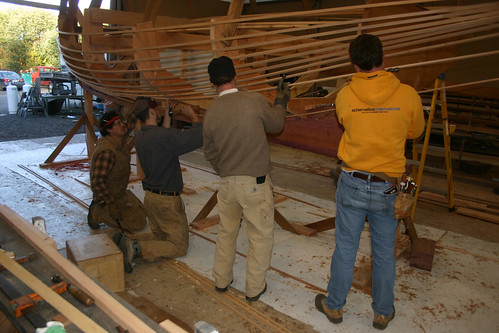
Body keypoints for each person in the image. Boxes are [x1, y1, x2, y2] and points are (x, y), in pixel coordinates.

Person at [315, 34, 425, 330]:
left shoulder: (345, 95)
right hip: (388, 186)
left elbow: (343, 121)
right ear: (383, 59)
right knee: (384, 252)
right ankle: (382, 312)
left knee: (346, 248)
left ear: (353, 63)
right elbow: (415, 132)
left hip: (351, 180)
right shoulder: (407, 94)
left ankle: (335, 307)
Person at [203, 56, 288, 302]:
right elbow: (276, 124)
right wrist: (281, 100)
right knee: (260, 237)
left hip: (227, 184)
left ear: (212, 83)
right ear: (235, 76)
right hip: (255, 184)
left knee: (226, 232)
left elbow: (209, 152)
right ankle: (254, 288)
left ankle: (221, 280)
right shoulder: (254, 101)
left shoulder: (210, 113)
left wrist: (225, 171)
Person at [115, 97, 203, 273]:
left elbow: (164, 135)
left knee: (159, 235)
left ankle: (126, 240)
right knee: (179, 246)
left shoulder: (141, 136)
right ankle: (137, 248)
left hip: (151, 198)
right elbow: (199, 137)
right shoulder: (163, 137)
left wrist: (169, 114)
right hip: (167, 202)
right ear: (153, 112)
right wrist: (193, 117)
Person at [88, 109, 147, 234]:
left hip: (119, 192)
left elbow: (130, 121)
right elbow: (97, 183)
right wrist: (111, 204)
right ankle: (97, 211)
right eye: (118, 123)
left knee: (142, 215)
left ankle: (111, 207)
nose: (123, 125)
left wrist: (142, 104)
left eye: (121, 122)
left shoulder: (119, 139)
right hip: (106, 197)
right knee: (136, 225)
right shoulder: (107, 152)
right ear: (109, 129)